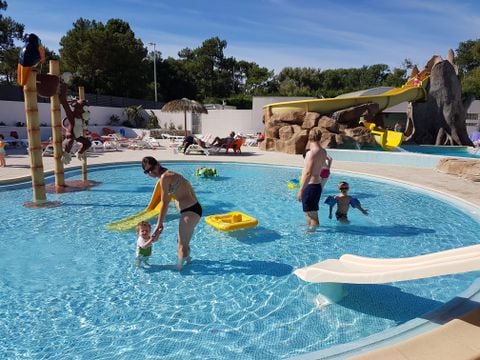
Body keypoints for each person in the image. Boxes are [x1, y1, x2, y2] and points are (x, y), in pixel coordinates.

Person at [142, 156, 202, 270]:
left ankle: (179, 268)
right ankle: (188, 260)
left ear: (158, 164)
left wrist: (159, 225)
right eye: (147, 171)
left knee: (181, 245)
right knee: (181, 241)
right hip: (192, 209)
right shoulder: (171, 175)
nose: (151, 172)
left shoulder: (165, 177)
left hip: (190, 211)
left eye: (152, 168)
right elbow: (189, 190)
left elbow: (164, 203)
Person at [297, 128, 328, 228]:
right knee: (311, 211)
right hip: (317, 186)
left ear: (309, 137)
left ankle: (312, 233)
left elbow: (308, 173)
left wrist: (301, 190)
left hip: (310, 186)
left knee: (311, 213)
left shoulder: (311, 153)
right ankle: (309, 225)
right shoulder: (323, 152)